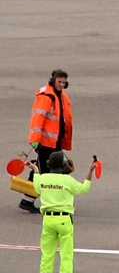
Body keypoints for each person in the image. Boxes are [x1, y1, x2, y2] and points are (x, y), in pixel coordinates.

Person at [26, 151, 97, 273]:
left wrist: (35, 170)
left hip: (48, 220)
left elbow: (37, 185)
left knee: (47, 256)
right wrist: (90, 171)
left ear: (48, 165)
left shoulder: (43, 179)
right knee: (66, 256)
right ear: (64, 165)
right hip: (64, 220)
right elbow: (84, 188)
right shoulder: (68, 180)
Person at [20, 70, 73, 214]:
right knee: (44, 171)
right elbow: (37, 119)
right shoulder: (46, 97)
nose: (62, 85)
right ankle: (35, 201)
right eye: (59, 82)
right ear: (53, 80)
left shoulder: (62, 96)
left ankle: (29, 200)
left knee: (43, 169)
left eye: (64, 83)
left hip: (55, 141)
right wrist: (35, 140)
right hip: (45, 142)